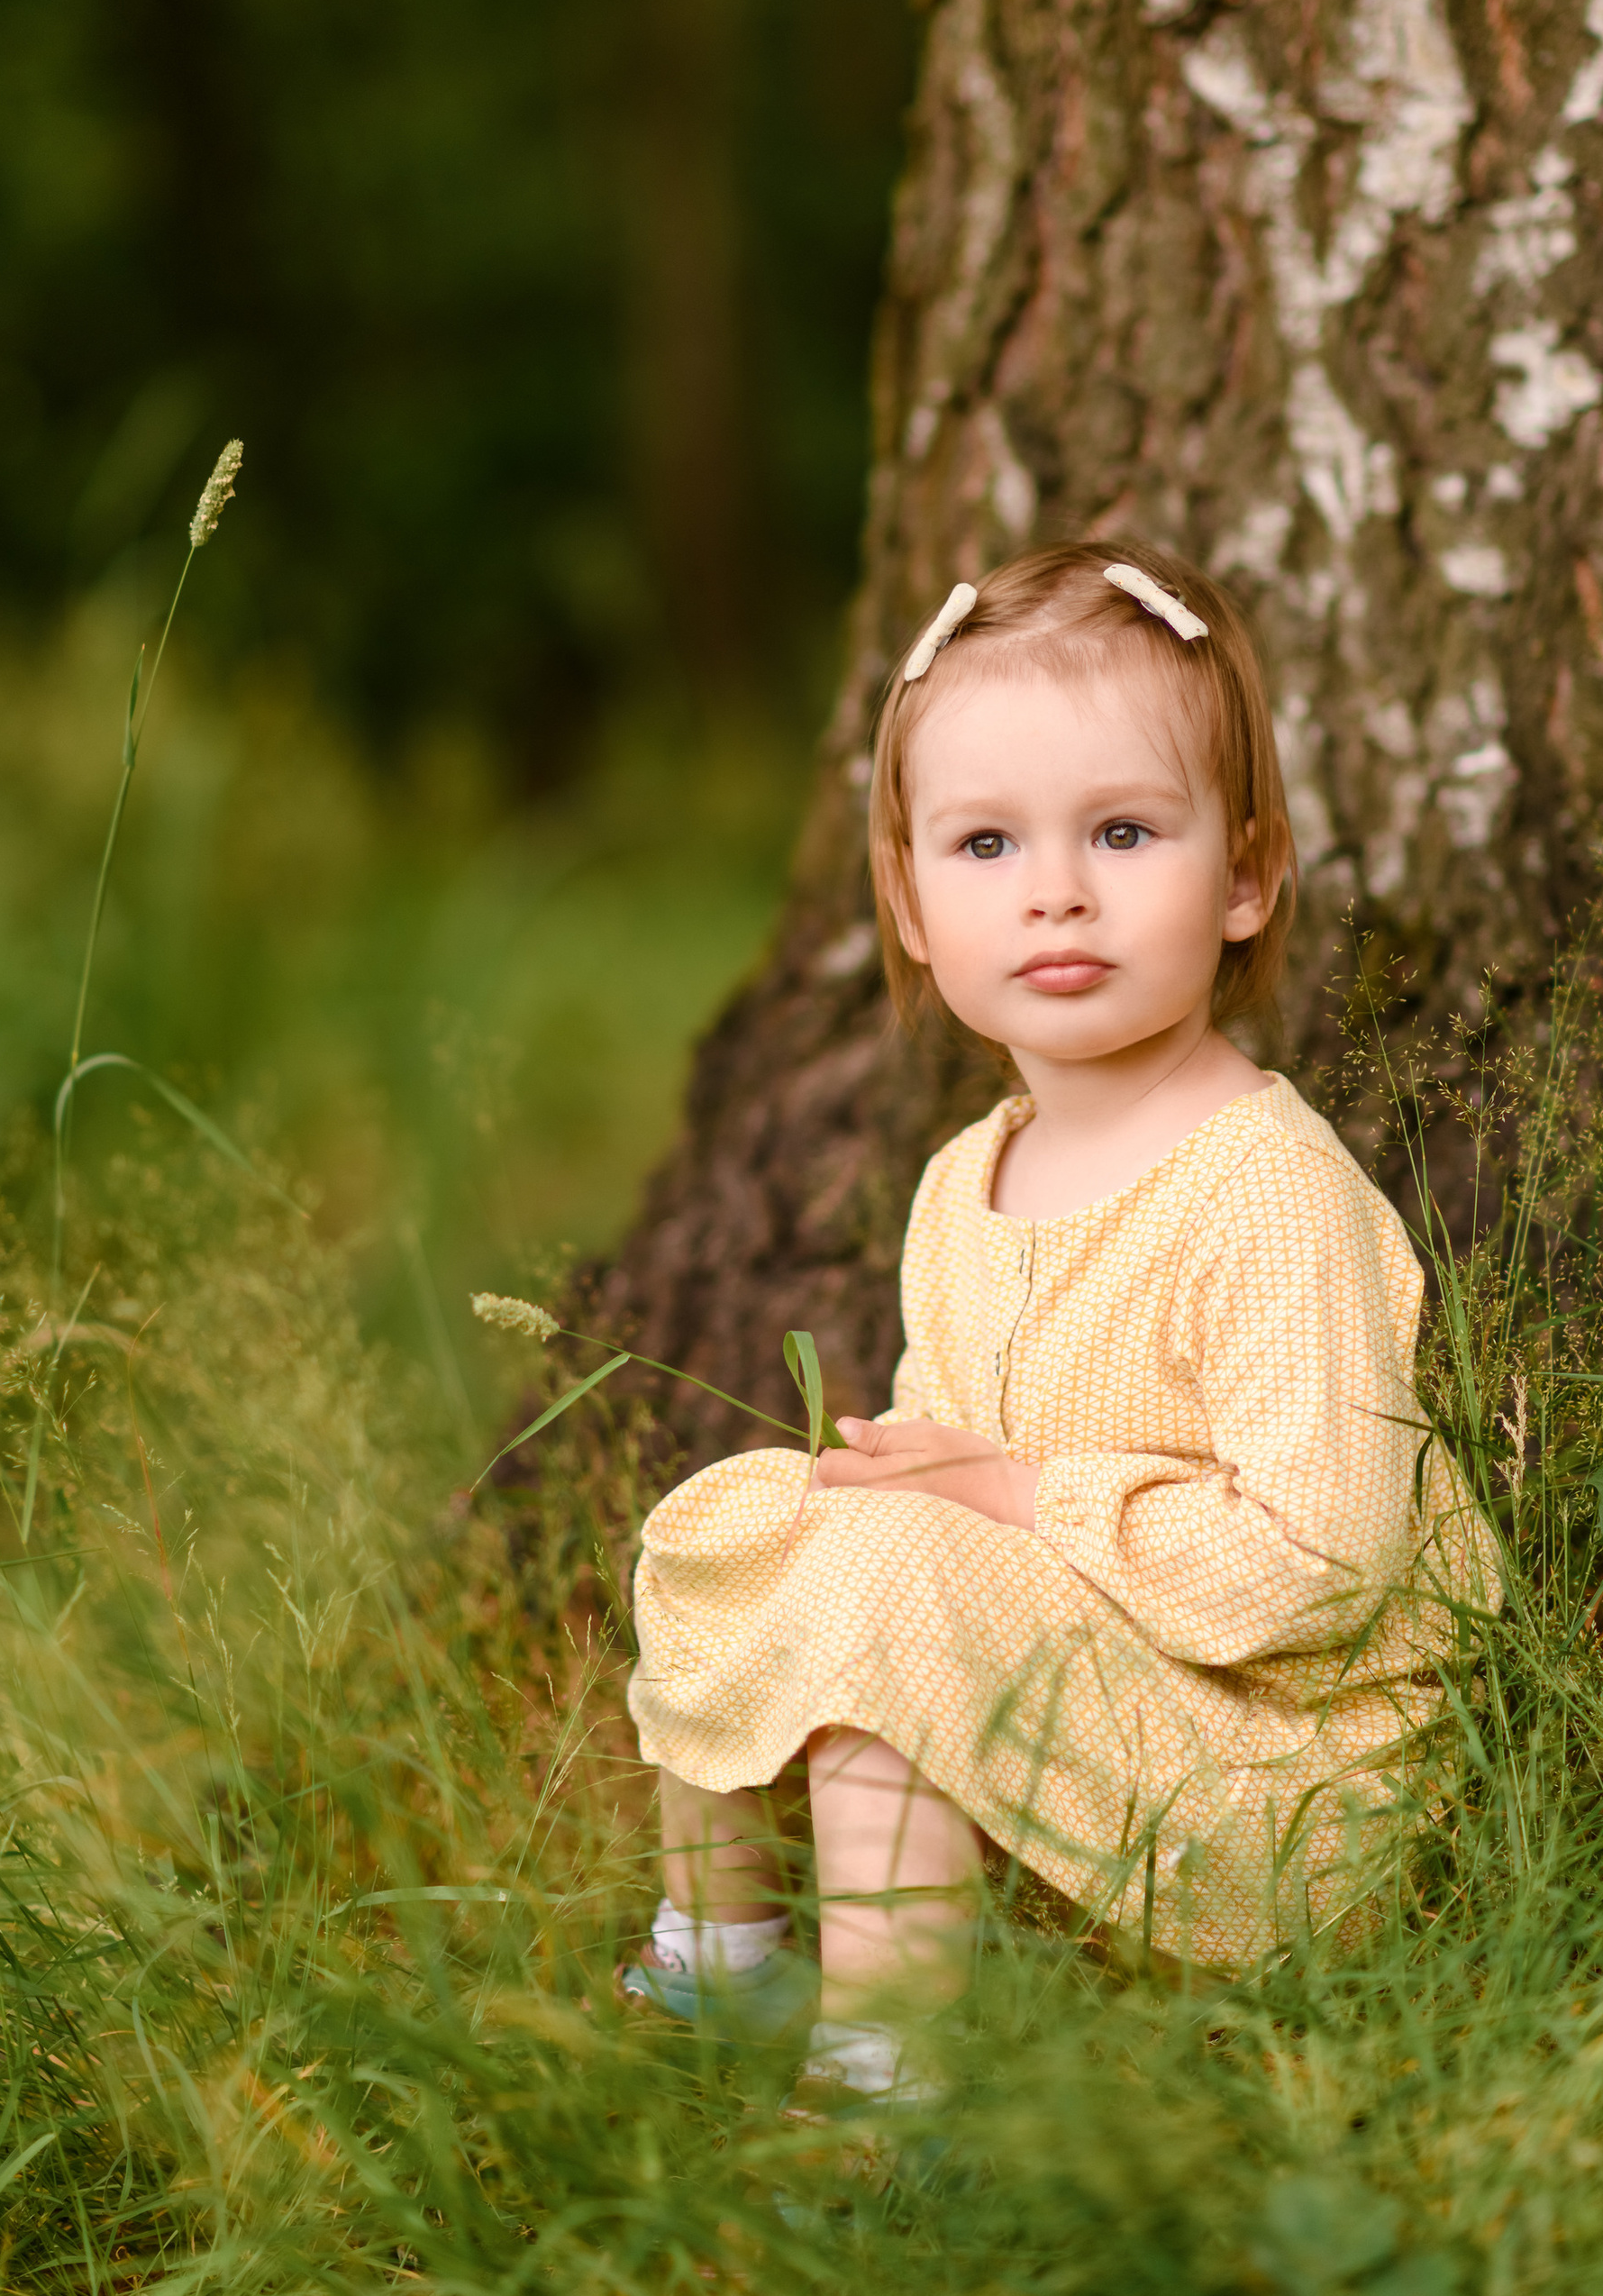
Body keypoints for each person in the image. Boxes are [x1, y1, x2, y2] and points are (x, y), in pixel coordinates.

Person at [622, 538, 1498, 2107]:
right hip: (1088, 1677)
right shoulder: (970, 1178)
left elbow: (1331, 1559)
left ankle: (900, 2085)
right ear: (906, 900)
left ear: (1244, 874)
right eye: (983, 846)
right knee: (742, 1515)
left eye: (1121, 830)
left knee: (886, 1577)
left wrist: (1006, 1502)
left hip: (1278, 1763)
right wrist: (897, 1492)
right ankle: (724, 1958)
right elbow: (954, 1487)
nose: (1055, 892)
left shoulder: (1266, 1191)